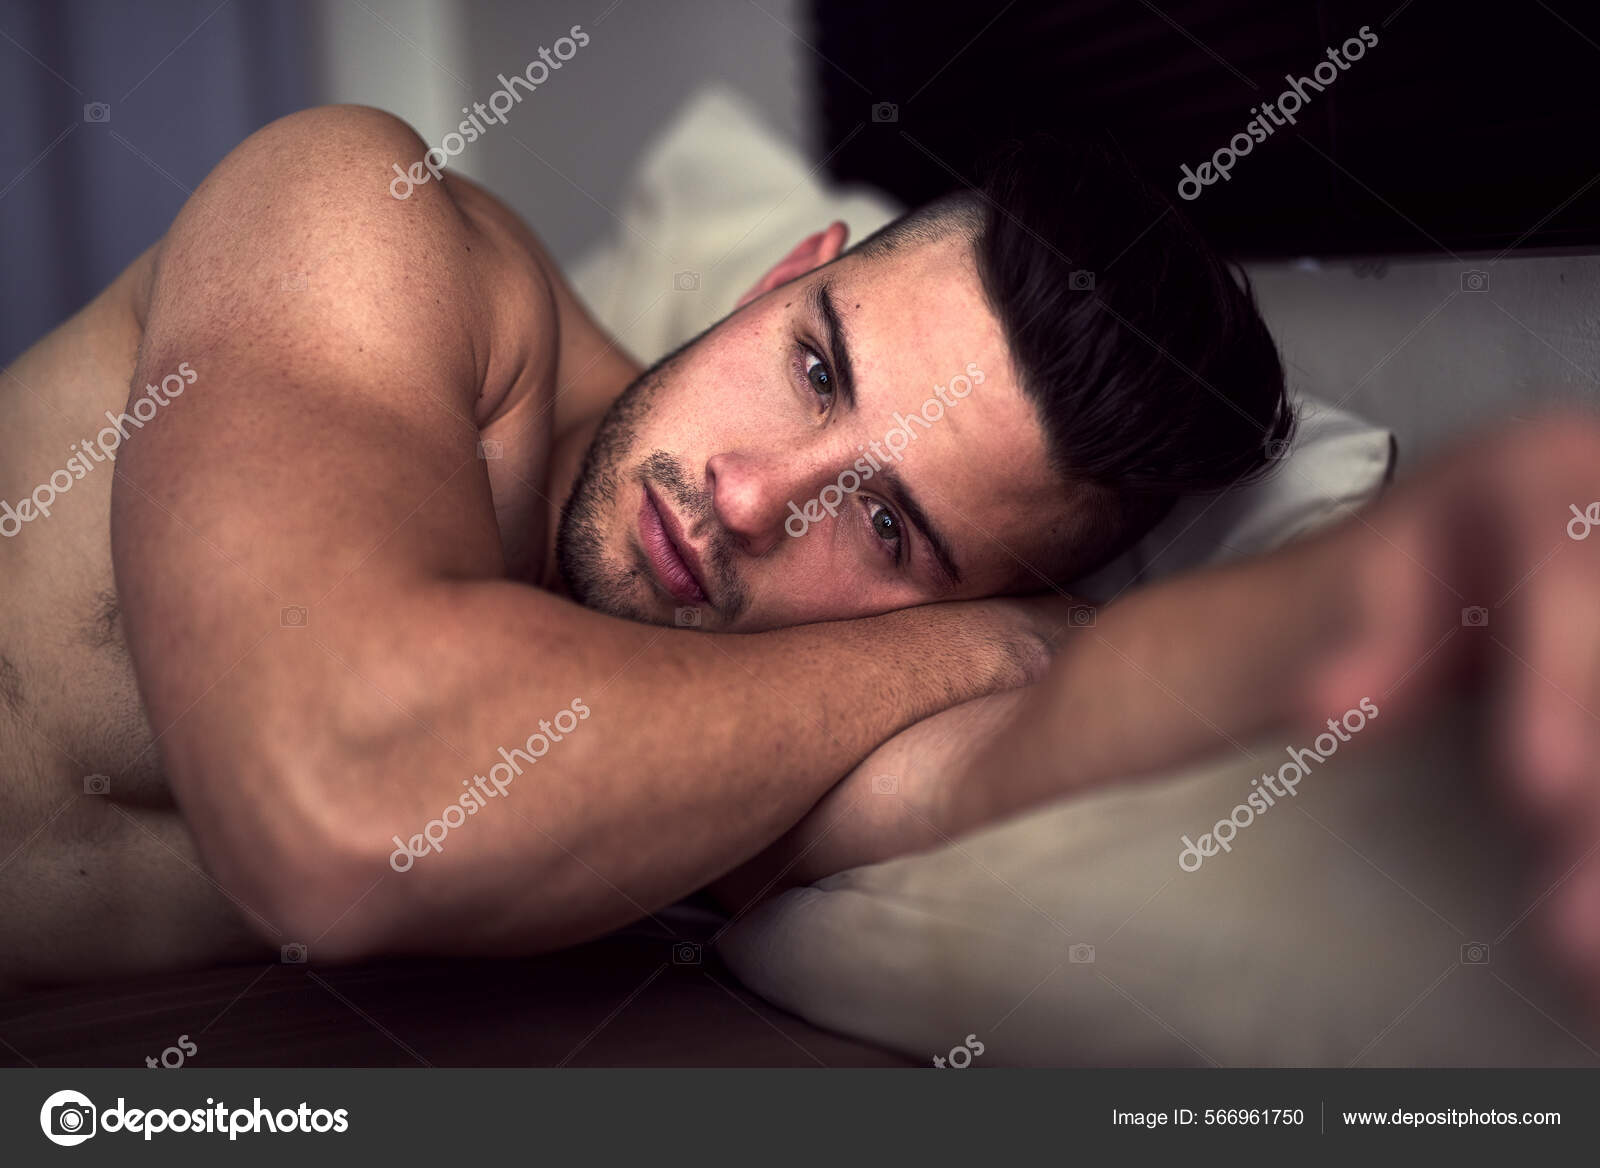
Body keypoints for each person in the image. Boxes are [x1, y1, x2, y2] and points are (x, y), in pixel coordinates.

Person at [2, 105, 1595, 1003]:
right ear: (784, 274)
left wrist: (1407, 563)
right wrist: (951, 642)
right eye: (820, 368)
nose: (759, 498)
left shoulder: (723, 726)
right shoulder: (366, 220)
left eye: (891, 525)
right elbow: (347, 797)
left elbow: (1026, 746)